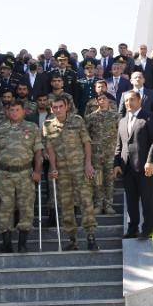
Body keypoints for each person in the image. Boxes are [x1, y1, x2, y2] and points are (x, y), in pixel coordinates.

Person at [0, 101, 44, 252]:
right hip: (4, 174)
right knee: (5, 208)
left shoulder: (32, 128)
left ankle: (22, 243)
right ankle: (6, 244)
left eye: (17, 110)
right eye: (11, 110)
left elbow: (38, 151)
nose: (13, 112)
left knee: (26, 208)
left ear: (23, 111)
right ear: (7, 112)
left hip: (25, 173)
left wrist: (37, 171)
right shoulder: (0, 129)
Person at [45, 94, 97, 251]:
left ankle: (91, 236)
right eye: (55, 107)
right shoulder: (48, 125)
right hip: (62, 171)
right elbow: (50, 149)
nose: (58, 109)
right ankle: (72, 239)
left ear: (67, 106)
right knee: (66, 204)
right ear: (51, 108)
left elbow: (86, 143)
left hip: (80, 168)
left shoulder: (77, 120)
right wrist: (53, 167)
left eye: (61, 106)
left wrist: (88, 164)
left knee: (86, 201)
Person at [115, 90, 153, 238]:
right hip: (126, 168)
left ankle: (147, 229)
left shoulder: (148, 117)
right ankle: (132, 228)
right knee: (131, 201)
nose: (129, 103)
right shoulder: (122, 121)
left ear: (139, 101)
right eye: (126, 100)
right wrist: (116, 164)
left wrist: (150, 161)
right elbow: (119, 145)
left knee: (146, 199)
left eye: (132, 100)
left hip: (144, 166)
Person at [86, 92, 119, 214]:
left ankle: (109, 205)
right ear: (96, 101)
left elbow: (120, 135)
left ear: (109, 101)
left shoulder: (116, 116)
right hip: (96, 155)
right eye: (99, 99)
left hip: (111, 154)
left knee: (110, 180)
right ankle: (98, 205)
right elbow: (86, 136)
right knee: (97, 181)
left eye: (104, 99)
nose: (102, 101)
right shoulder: (91, 117)